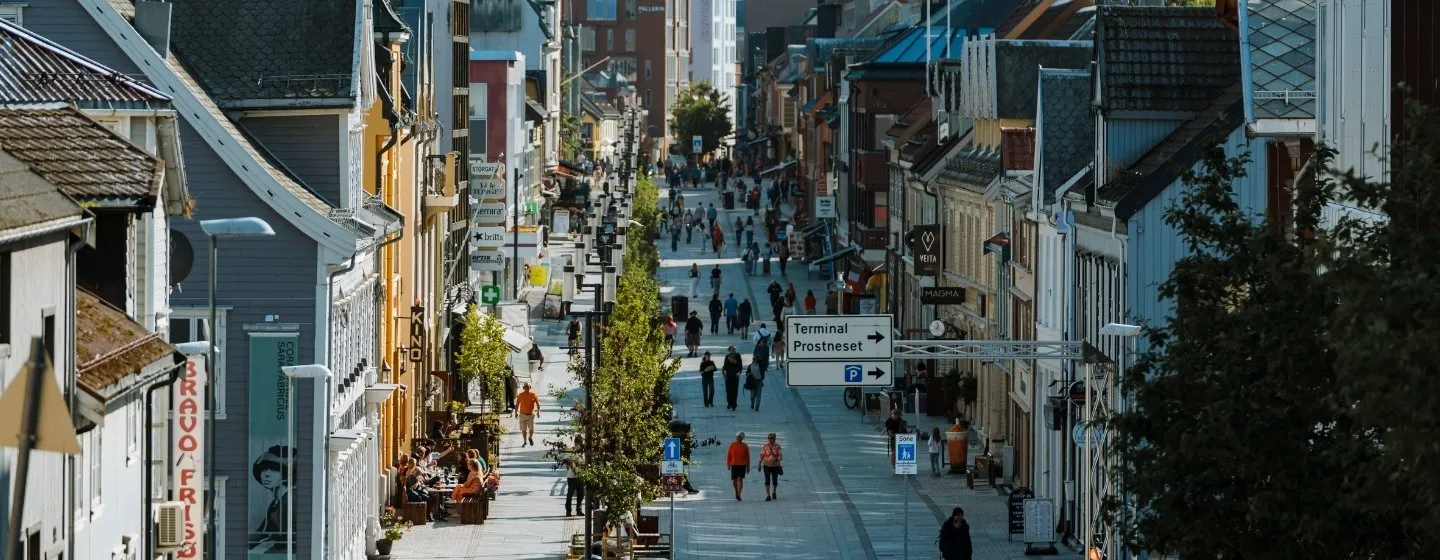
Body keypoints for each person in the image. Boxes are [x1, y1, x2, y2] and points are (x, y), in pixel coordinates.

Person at [726, 432, 751, 501]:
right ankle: (736, 491)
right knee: (734, 481)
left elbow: (747, 457)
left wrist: (748, 467)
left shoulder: (745, 446)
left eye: (739, 437)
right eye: (737, 436)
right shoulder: (732, 444)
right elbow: (729, 455)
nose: (738, 438)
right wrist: (728, 464)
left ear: (742, 438)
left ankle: (739, 495)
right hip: (734, 464)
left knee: (740, 479)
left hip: (742, 465)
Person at [760, 433, 783, 501]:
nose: (770, 439)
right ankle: (768, 495)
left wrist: (779, 461)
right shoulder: (765, 446)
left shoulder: (777, 446)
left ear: (774, 438)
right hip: (766, 465)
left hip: (775, 466)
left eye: (771, 438)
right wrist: (759, 463)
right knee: (767, 479)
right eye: (769, 438)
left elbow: (780, 454)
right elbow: (762, 454)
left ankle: (774, 492)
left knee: (774, 479)